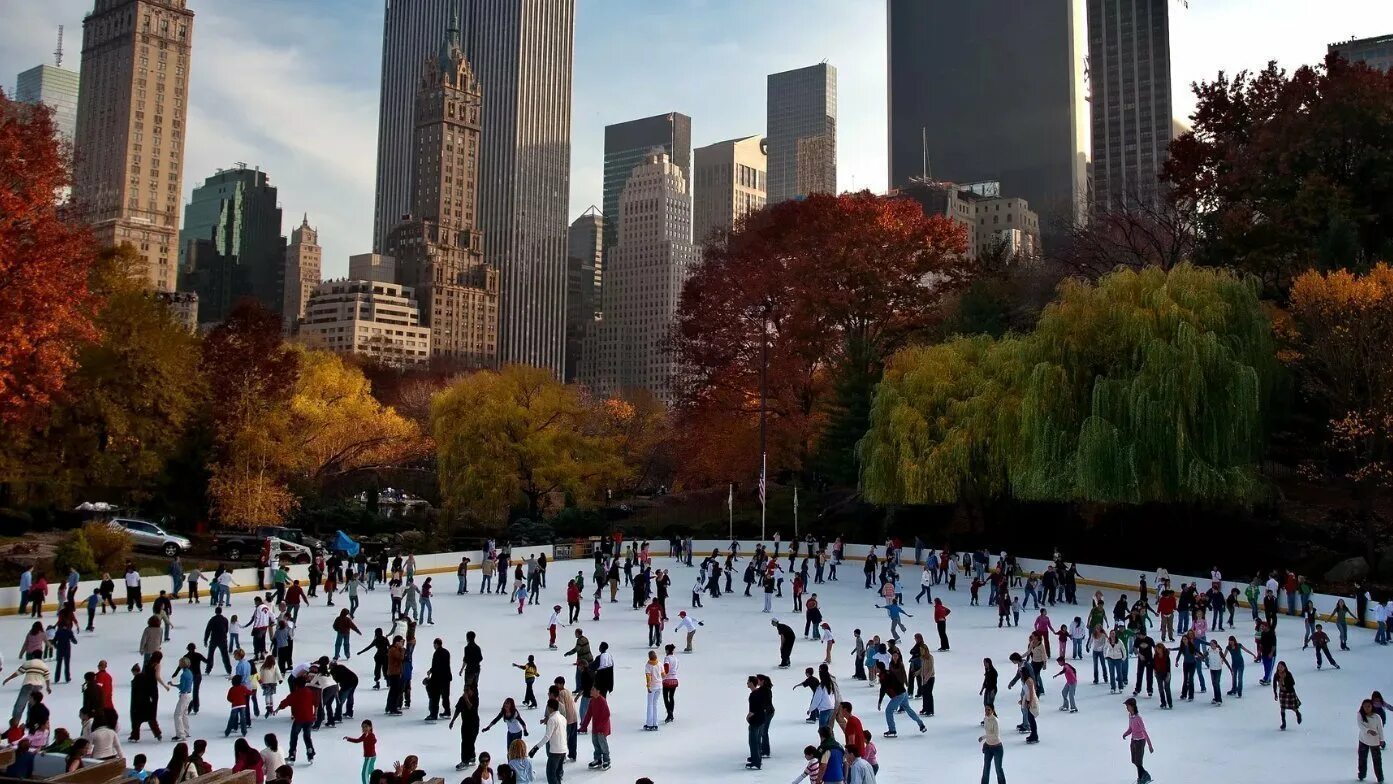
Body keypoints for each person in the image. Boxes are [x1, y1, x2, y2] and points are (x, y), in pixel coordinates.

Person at [874, 660, 924, 737]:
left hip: (898, 695)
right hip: (903, 692)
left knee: (888, 711)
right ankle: (921, 724)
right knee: (908, 709)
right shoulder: (887, 673)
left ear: (879, 668)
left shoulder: (884, 676)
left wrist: (880, 701)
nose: (875, 668)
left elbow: (883, 689)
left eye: (876, 667)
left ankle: (892, 730)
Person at [277, 672, 318, 763]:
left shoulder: (295, 694)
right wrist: (315, 714)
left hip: (299, 719)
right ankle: (310, 753)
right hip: (309, 718)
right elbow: (316, 703)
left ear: (296, 685)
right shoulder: (310, 692)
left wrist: (278, 709)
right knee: (307, 736)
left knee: (294, 736)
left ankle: (292, 755)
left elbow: (285, 702)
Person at [529, 698, 567, 784]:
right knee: (558, 774)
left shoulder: (552, 719)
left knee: (551, 774)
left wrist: (535, 748)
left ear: (550, 708)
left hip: (555, 751)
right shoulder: (562, 718)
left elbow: (547, 737)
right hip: (563, 749)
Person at [1122, 697, 1154, 784]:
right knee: (1134, 760)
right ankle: (1143, 776)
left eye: (1128, 706)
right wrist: (1126, 733)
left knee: (1138, 761)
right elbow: (1131, 728)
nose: (1127, 708)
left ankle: (1142, 777)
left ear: (1132, 706)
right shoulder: (1130, 716)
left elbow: (1144, 731)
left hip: (1140, 741)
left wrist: (1150, 745)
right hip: (1134, 741)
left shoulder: (1138, 718)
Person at [450, 683, 481, 771]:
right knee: (465, 741)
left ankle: (466, 760)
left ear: (471, 691)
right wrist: (453, 721)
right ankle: (470, 757)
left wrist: (467, 699)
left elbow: (471, 708)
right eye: (464, 690)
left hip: (474, 723)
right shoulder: (461, 699)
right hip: (465, 723)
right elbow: (458, 710)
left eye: (467, 690)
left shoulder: (475, 699)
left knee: (470, 741)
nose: (465, 692)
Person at [745, 675, 773, 770]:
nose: (747, 683)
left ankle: (756, 762)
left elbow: (752, 711)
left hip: (755, 720)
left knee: (753, 741)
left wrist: (748, 717)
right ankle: (757, 759)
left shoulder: (753, 695)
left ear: (752, 683)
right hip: (762, 719)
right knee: (757, 740)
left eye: (748, 682)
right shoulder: (760, 692)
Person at [582, 686, 611, 770]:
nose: (590, 691)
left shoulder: (602, 701)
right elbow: (588, 714)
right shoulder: (592, 700)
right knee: (595, 742)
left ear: (598, 691)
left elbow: (607, 714)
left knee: (603, 744)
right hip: (595, 727)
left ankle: (607, 760)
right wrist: (584, 726)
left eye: (593, 690)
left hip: (602, 728)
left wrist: (601, 727)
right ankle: (598, 759)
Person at [1361, 698, 1387, 783]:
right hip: (1363, 740)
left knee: (1377, 760)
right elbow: (1360, 725)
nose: (1367, 708)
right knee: (1362, 759)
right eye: (1365, 706)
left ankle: (1380, 778)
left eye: (1369, 706)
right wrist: (1368, 730)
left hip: (1374, 741)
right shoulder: (1360, 715)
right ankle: (1361, 774)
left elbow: (1380, 729)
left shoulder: (1377, 717)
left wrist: (1382, 740)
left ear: (1372, 707)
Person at [344, 720, 377, 784]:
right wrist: (348, 739)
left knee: (364, 774)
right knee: (371, 772)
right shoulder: (364, 735)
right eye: (363, 727)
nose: (364, 728)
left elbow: (374, 741)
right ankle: (376, 781)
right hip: (368, 757)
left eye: (366, 727)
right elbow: (357, 740)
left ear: (370, 727)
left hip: (370, 757)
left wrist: (371, 740)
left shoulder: (371, 735)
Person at [979, 704, 1005, 784]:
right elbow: (988, 732)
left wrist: (984, 737)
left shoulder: (995, 721)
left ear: (993, 711)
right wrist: (985, 743)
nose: (987, 711)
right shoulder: (985, 719)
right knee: (986, 768)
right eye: (986, 709)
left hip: (997, 748)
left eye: (989, 710)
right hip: (988, 747)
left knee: (998, 769)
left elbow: (995, 735)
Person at [1273, 661, 1303, 730]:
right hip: (1282, 693)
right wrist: (1275, 693)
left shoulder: (1288, 674)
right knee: (1282, 708)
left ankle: (1298, 713)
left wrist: (1286, 687)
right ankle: (1283, 723)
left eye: (1281, 667)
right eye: (1279, 667)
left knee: (1293, 707)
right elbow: (1274, 684)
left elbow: (1292, 683)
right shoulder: (1276, 674)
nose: (1280, 668)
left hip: (1289, 692)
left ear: (1285, 667)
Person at [642, 650, 662, 731]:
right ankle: (655, 723)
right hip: (659, 686)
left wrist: (648, 686)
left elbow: (648, 677)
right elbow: (663, 675)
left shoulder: (648, 666)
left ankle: (649, 724)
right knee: (655, 704)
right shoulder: (660, 664)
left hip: (652, 687)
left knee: (650, 705)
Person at [661, 644, 679, 723]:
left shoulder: (667, 658)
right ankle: (671, 713)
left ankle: (669, 713)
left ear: (667, 650)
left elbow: (666, 669)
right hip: (674, 679)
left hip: (667, 680)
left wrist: (662, 675)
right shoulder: (676, 658)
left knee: (665, 697)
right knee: (671, 697)